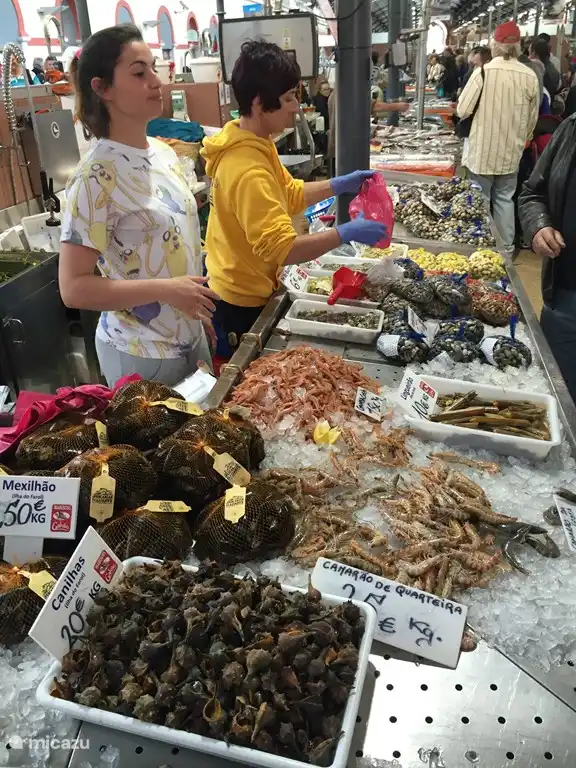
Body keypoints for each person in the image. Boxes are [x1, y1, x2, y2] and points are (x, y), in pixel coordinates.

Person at [202, 41, 387, 354]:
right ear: (260, 103)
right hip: (239, 301)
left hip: (248, 284)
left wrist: (339, 184)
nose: (296, 107)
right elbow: (283, 250)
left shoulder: (258, 143)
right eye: (288, 98)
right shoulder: (247, 170)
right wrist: (344, 233)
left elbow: (288, 194)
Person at [58, 24, 217, 387]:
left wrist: (196, 313)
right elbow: (74, 288)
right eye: (139, 73)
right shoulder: (95, 177)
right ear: (102, 88)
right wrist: (166, 290)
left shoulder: (162, 153)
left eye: (154, 69)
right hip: (140, 352)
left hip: (188, 339)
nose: (156, 82)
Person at [456, 21, 538, 257]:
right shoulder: (529, 75)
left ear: (496, 45)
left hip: (483, 150)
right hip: (511, 152)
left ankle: (481, 248)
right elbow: (532, 120)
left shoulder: (483, 72)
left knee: (480, 198)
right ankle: (506, 250)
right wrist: (522, 138)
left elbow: (463, 110)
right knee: (505, 199)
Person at [518, 114, 576, 400]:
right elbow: (532, 192)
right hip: (564, 301)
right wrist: (539, 226)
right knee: (556, 399)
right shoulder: (571, 128)